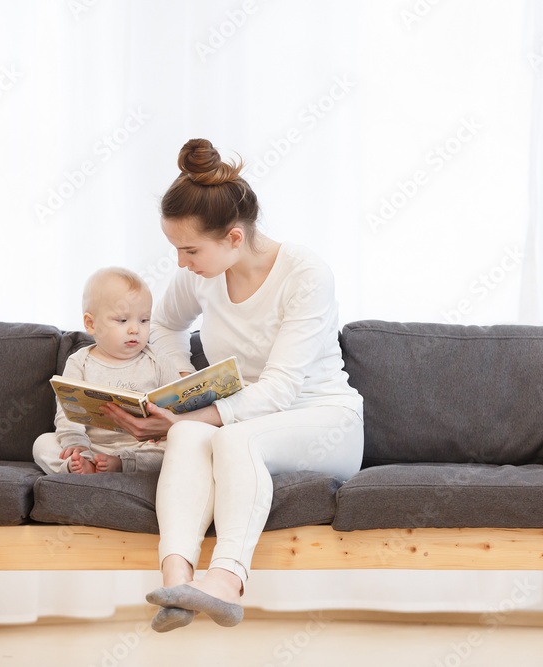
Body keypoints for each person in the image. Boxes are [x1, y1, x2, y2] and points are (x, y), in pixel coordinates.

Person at [100, 138, 364, 632]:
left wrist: (186, 416)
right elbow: (166, 325)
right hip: (242, 417)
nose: (182, 263)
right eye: (177, 249)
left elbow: (282, 389)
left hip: (324, 419)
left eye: (190, 250)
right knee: (186, 435)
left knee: (226, 435)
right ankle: (177, 581)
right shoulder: (203, 274)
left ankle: (225, 582)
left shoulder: (305, 273)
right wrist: (182, 379)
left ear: (235, 238)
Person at [32, 267, 181, 474]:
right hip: (91, 445)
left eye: (144, 320)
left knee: (175, 448)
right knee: (42, 443)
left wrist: (168, 428)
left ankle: (120, 464)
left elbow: (177, 407)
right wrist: (77, 444)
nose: (135, 329)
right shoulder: (79, 362)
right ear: (91, 324)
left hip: (141, 446)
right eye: (122, 320)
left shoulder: (158, 359)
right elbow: (67, 413)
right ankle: (79, 465)